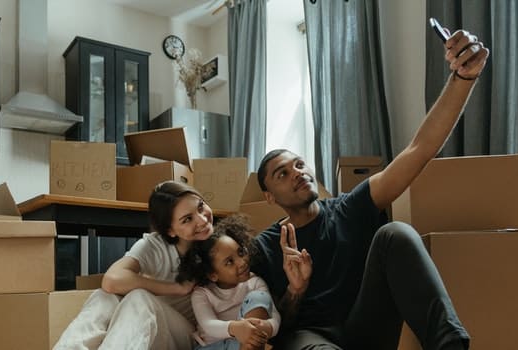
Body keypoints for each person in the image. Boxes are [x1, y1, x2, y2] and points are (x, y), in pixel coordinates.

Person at [250, 28, 490, 350]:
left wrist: (463, 79)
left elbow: (417, 151)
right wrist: (296, 289)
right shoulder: (264, 248)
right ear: (269, 197)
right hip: (311, 337)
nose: (297, 173)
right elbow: (275, 328)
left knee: (396, 234)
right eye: (282, 174)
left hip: (366, 327)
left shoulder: (349, 208)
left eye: (299, 164)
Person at [54, 181, 215, 350]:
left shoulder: (221, 244)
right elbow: (111, 280)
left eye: (201, 207)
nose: (203, 220)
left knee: (139, 298)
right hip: (151, 330)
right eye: (187, 219)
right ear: (170, 230)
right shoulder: (155, 245)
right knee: (104, 296)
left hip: (188, 335)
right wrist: (176, 288)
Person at [177, 214, 281, 350]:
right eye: (230, 262)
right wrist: (235, 328)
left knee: (259, 297)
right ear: (212, 275)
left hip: (244, 344)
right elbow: (208, 324)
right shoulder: (202, 293)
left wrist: (268, 327)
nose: (242, 262)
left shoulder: (255, 282)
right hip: (212, 347)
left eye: (241, 252)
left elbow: (274, 314)